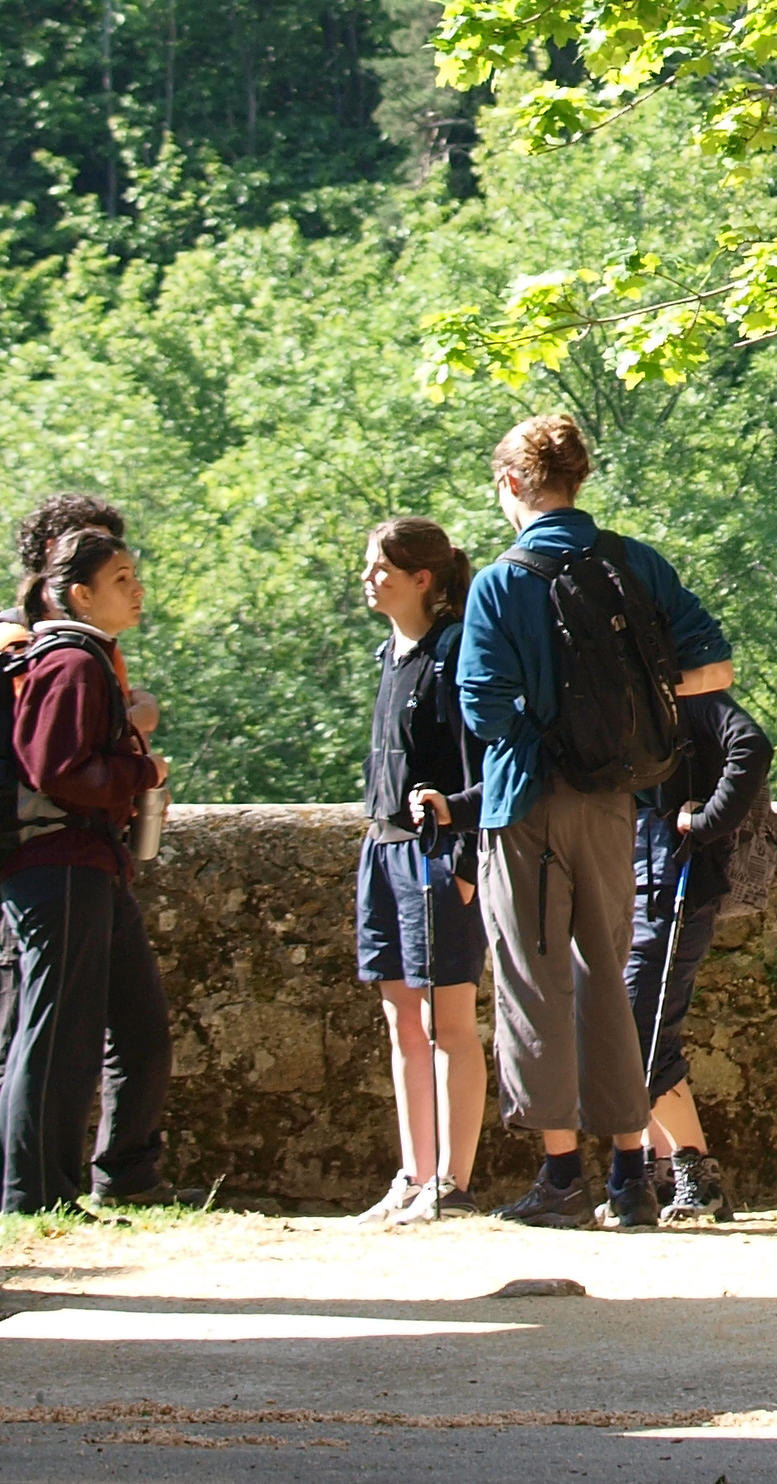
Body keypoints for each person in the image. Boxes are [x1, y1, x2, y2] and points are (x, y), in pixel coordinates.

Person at [458, 414, 733, 1230]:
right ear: (578, 479)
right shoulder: (633, 563)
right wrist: (616, 733)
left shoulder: (502, 582)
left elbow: (481, 706)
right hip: (618, 803)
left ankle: (557, 1177)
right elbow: (710, 667)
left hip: (526, 805)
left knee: (532, 988)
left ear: (512, 484)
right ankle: (628, 1177)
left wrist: (551, 736)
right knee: (608, 986)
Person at [0, 524, 174, 1213]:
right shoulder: (69, 661)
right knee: (57, 1031)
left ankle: (97, 1182)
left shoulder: (87, 656)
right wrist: (140, 769)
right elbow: (55, 768)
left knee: (127, 1024)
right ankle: (34, 1196)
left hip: (87, 861)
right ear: (79, 595)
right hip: (58, 861)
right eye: (121, 578)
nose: (137, 588)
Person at [354, 517, 489, 1224]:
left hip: (434, 855)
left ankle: (452, 1184)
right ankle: (415, 1171)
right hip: (382, 847)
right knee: (402, 1016)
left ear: (422, 579)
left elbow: (480, 765)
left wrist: (463, 865)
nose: (369, 578)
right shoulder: (391, 653)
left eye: (381, 567)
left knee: (447, 1020)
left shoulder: (455, 651)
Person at [629, 684, 775, 1226]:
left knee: (639, 1026)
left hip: (678, 881)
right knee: (627, 1029)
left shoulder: (686, 692)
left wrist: (708, 822)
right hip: (629, 880)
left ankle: (695, 1174)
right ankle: (657, 1172)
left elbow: (752, 747)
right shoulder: (621, 693)